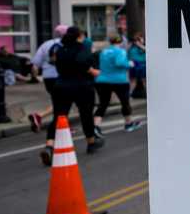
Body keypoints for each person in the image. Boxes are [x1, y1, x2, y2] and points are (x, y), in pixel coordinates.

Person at [39, 27, 103, 165]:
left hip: (61, 85)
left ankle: (49, 146)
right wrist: (92, 70)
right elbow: (81, 62)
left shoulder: (60, 50)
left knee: (59, 116)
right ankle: (91, 143)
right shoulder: (82, 48)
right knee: (86, 114)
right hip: (81, 85)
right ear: (79, 36)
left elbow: (55, 63)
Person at [29, 24, 67, 141]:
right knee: (64, 103)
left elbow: (35, 65)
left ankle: (40, 117)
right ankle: (59, 127)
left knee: (58, 101)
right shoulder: (66, 45)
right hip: (62, 76)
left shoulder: (45, 45)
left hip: (48, 78)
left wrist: (35, 78)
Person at [95, 33, 137, 133]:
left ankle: (96, 126)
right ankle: (128, 123)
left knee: (103, 103)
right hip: (119, 80)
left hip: (102, 80)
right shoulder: (120, 51)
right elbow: (120, 63)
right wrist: (130, 64)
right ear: (120, 41)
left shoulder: (104, 51)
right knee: (125, 102)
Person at [129, 33, 147, 99]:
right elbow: (126, 52)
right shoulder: (132, 47)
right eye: (137, 39)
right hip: (134, 64)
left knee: (144, 80)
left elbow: (146, 50)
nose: (139, 40)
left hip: (143, 64)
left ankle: (147, 93)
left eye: (140, 38)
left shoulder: (143, 46)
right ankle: (129, 94)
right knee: (133, 80)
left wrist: (139, 44)